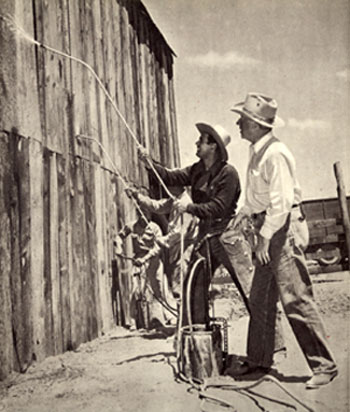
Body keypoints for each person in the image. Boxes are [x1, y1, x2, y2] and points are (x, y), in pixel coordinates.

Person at [229, 92, 337, 389]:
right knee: (261, 298)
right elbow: (259, 196)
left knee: (295, 297)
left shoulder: (276, 154)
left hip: (281, 229)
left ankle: (324, 366)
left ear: (256, 124)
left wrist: (264, 239)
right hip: (267, 226)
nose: (238, 123)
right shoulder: (258, 151)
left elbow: (281, 203)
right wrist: (245, 212)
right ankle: (260, 359)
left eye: (243, 119)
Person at [138, 123, 253, 326]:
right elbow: (169, 176)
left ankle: (272, 350)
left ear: (213, 147)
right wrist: (149, 162)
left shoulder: (229, 174)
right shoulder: (197, 170)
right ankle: (200, 343)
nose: (196, 143)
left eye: (201, 140)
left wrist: (189, 208)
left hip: (228, 236)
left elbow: (217, 207)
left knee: (250, 290)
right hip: (206, 236)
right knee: (195, 289)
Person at [125, 186, 199, 301]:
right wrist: (137, 196)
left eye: (170, 185)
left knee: (179, 286)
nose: (167, 189)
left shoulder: (185, 204)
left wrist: (163, 240)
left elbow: (178, 233)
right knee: (174, 284)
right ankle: (181, 314)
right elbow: (157, 206)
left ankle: (183, 316)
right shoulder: (175, 200)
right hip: (175, 247)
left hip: (184, 248)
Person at [114, 208, 170, 331]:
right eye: (142, 215)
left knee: (158, 288)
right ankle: (132, 321)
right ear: (139, 215)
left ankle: (164, 317)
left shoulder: (155, 228)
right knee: (135, 290)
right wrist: (118, 247)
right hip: (138, 260)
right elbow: (119, 237)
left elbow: (158, 248)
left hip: (153, 259)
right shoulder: (131, 226)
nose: (145, 218)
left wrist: (145, 259)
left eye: (147, 215)